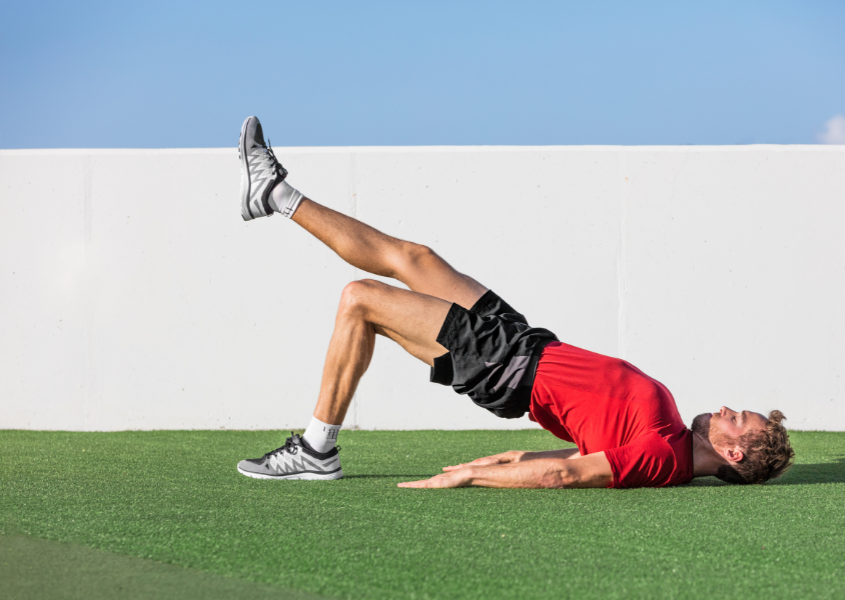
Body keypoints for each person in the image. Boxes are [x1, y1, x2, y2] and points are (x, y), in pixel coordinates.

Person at [234, 116, 795, 489]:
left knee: (360, 300)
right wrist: (504, 460)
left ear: (736, 454)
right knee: (414, 256)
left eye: (736, 418)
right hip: (524, 342)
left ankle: (316, 449)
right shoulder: (670, 432)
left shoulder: (666, 458)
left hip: (505, 365)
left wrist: (472, 478)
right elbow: (565, 458)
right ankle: (275, 194)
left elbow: (572, 476)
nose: (725, 408)